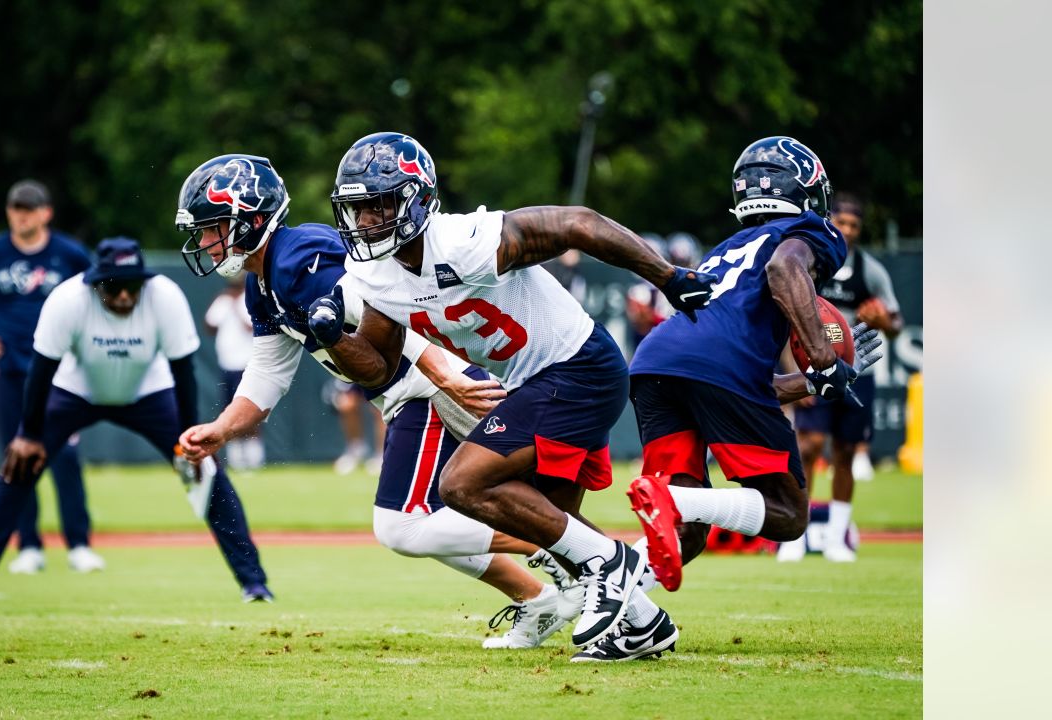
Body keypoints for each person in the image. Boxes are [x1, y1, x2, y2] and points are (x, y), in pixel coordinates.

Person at [311, 132, 718, 662]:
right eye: (357, 210)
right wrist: (334, 339)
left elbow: (580, 223)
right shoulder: (372, 274)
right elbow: (380, 366)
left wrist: (665, 276)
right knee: (543, 522)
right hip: (537, 381)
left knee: (462, 482)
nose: (364, 222)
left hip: (578, 366)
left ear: (417, 197)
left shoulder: (463, 241)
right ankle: (643, 623)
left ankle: (613, 563)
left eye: (377, 206)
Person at [175, 154, 583, 649]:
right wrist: (220, 429)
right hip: (411, 392)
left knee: (404, 525)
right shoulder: (266, 284)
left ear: (253, 219)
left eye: (213, 228)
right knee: (426, 522)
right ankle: (541, 596)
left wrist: (442, 373)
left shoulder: (297, 257)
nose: (204, 242)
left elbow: (393, 305)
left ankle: (575, 552)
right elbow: (266, 376)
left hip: (428, 385)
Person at [621, 137, 884, 605]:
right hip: (713, 367)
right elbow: (785, 268)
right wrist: (826, 358)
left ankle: (606, 604)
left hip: (657, 364)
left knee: (687, 532)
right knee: (787, 514)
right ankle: (673, 500)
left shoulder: (725, 250)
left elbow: (745, 381)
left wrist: (814, 382)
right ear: (808, 189)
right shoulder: (811, 233)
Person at [0, 238, 271, 604]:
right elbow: (41, 373)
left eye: (131, 286)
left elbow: (183, 372)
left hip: (148, 392)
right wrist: (29, 433)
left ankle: (254, 584)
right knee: (18, 466)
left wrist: (187, 443)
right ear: (94, 282)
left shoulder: (164, 297)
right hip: (76, 391)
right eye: (112, 286)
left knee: (209, 472)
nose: (123, 296)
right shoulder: (67, 300)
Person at [0, 179, 100, 575]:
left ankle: (79, 544)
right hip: (8, 371)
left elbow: (100, 296)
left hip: (59, 375)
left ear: (46, 212)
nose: (20, 214)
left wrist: (84, 353)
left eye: (28, 208)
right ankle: (29, 545)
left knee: (65, 455)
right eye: (15, 207)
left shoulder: (69, 254)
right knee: (16, 457)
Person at [780, 193, 903, 562]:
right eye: (842, 223)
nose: (847, 231)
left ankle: (835, 538)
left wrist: (885, 321)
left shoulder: (870, 269)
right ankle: (794, 537)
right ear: (829, 221)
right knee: (809, 446)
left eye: (854, 226)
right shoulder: (809, 263)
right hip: (813, 366)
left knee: (846, 451)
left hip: (857, 370)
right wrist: (794, 373)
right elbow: (788, 321)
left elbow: (894, 319)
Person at [203, 274, 265, 471]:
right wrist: (224, 304)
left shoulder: (248, 299)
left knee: (251, 412)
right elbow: (209, 326)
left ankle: (255, 459)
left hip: (246, 366)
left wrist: (236, 307)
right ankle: (237, 459)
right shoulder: (222, 300)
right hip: (227, 366)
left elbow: (250, 327)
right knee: (230, 410)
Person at [326, 381, 386, 475]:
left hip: (378, 370)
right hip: (356, 372)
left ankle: (382, 455)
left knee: (381, 408)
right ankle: (356, 450)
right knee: (346, 403)